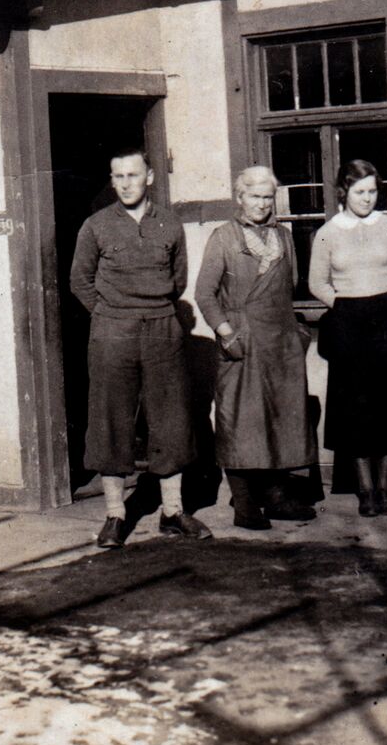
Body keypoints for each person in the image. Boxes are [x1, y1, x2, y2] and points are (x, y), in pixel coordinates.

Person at [69, 146, 213, 547]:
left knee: (171, 416)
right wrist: (111, 313)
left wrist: (151, 310)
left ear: (149, 177)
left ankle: (173, 512)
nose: (125, 184)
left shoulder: (169, 223)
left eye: (133, 175)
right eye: (118, 176)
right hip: (113, 330)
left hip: (162, 327)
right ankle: (115, 515)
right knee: (110, 417)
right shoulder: (95, 226)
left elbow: (177, 280)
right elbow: (80, 280)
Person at [194, 166, 320, 529]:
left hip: (280, 342)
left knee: (280, 417)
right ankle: (245, 504)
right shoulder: (224, 237)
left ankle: (277, 496)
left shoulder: (284, 236)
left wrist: (294, 333)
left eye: (268, 197)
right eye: (254, 197)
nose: (262, 204)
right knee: (241, 419)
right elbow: (204, 293)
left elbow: (290, 285)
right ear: (240, 198)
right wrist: (227, 333)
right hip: (243, 340)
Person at [308, 159, 387, 517]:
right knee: (355, 409)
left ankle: (386, 488)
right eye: (359, 192)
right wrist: (343, 304)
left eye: (372, 191)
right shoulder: (328, 232)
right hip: (349, 325)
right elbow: (316, 282)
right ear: (344, 192)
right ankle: (365, 490)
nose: (367, 198)